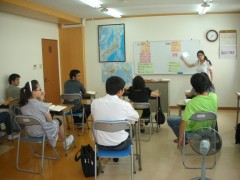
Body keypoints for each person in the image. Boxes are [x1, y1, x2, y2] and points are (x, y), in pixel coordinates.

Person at [91, 76, 139, 162]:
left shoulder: (94, 103)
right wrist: (131, 108)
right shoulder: (125, 105)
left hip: (101, 144)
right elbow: (136, 117)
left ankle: (112, 155)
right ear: (120, 91)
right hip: (120, 145)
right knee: (132, 130)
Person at [167, 73, 218, 148]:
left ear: (194, 87)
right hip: (208, 129)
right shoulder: (214, 97)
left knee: (170, 119)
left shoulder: (191, 103)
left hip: (193, 132)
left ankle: (184, 140)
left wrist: (180, 139)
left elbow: (183, 124)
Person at [19, 80, 74, 149]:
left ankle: (54, 138)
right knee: (58, 121)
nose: (41, 91)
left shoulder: (23, 106)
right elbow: (50, 120)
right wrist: (43, 102)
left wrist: (41, 99)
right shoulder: (42, 105)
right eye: (40, 89)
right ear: (34, 92)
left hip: (31, 132)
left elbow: (36, 112)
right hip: (43, 132)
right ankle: (65, 143)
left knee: (49, 122)